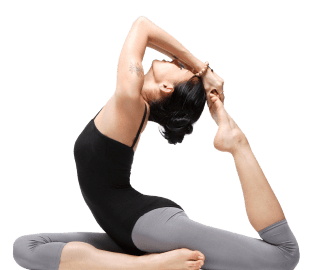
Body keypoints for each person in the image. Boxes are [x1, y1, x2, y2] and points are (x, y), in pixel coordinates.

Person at [12, 16, 299, 270]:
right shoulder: (132, 106)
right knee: (26, 247)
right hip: (125, 229)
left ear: (166, 87)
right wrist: (200, 69)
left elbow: (142, 25)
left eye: (183, 70)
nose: (177, 61)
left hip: (147, 224)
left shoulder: (131, 100)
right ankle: (143, 264)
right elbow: (144, 28)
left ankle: (236, 141)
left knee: (284, 255)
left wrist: (201, 69)